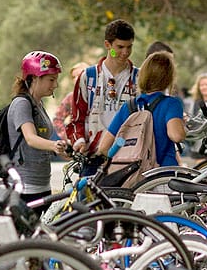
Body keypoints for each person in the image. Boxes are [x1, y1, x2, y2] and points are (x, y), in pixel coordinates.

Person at [66, 18, 140, 174]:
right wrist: (79, 141)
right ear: (107, 45)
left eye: (129, 47)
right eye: (119, 47)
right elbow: (76, 118)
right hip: (94, 155)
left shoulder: (139, 77)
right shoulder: (88, 76)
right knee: (87, 199)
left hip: (128, 157)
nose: (125, 52)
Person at [97, 50, 185, 168]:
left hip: (134, 176)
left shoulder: (129, 106)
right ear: (168, 77)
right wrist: (184, 127)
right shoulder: (171, 104)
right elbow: (176, 135)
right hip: (162, 174)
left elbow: (103, 148)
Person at [4, 51, 68, 211]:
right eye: (51, 80)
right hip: (25, 186)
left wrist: (60, 151)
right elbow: (31, 138)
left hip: (41, 183)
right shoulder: (22, 104)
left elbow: (40, 143)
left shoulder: (38, 105)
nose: (55, 85)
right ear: (34, 78)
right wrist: (54, 145)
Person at [53, 62, 88, 139]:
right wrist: (67, 137)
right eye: (73, 77)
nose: (76, 79)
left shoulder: (98, 95)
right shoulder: (70, 98)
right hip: (77, 142)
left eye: (79, 75)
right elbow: (57, 119)